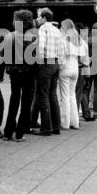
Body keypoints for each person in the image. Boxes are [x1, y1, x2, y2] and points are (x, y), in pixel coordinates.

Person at [2, 10, 36, 141]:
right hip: (29, 73)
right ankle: (20, 133)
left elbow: (4, 56)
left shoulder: (9, 36)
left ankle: (8, 132)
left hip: (14, 72)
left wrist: (2, 72)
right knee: (26, 102)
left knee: (14, 100)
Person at [32, 8, 65, 136]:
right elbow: (61, 49)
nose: (38, 19)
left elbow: (41, 47)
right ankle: (56, 127)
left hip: (46, 63)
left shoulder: (43, 29)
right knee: (52, 95)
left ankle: (46, 128)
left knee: (43, 95)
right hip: (55, 63)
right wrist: (60, 64)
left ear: (44, 18)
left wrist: (39, 62)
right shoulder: (57, 30)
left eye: (39, 17)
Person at [58, 19, 82, 129]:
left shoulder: (64, 40)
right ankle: (75, 122)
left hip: (66, 68)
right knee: (72, 96)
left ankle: (65, 123)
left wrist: (59, 67)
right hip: (75, 68)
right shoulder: (78, 40)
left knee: (65, 97)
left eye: (62, 27)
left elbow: (61, 57)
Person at [74, 23, 92, 121]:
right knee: (79, 93)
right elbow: (85, 61)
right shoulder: (83, 43)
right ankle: (77, 116)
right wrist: (88, 75)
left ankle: (85, 114)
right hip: (80, 70)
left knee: (73, 94)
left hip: (69, 68)